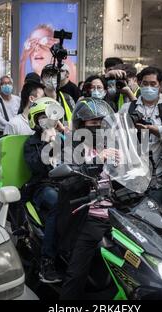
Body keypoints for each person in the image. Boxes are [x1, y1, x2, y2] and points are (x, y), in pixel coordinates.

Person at [60, 97, 116, 300]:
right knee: (76, 274)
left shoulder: (114, 145)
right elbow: (68, 183)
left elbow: (132, 176)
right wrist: (97, 161)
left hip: (117, 214)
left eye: (102, 123)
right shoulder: (72, 147)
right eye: (93, 123)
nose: (99, 127)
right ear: (81, 125)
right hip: (89, 215)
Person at [119, 66, 162, 204]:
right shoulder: (127, 108)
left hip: (158, 175)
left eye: (153, 84)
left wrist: (151, 128)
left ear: (161, 86)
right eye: (145, 84)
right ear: (139, 84)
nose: (148, 87)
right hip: (132, 175)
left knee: (154, 213)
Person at [24, 97, 66, 283]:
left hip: (68, 184)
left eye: (51, 116)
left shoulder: (64, 139)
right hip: (43, 186)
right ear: (35, 120)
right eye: (43, 116)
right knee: (58, 204)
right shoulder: (31, 143)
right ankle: (46, 261)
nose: (47, 120)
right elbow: (37, 167)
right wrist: (46, 144)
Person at [19, 24, 77, 89]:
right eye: (32, 44)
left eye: (43, 45)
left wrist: (61, 49)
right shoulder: (30, 81)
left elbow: (72, 86)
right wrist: (23, 60)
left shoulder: (71, 70)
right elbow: (22, 91)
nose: (37, 49)